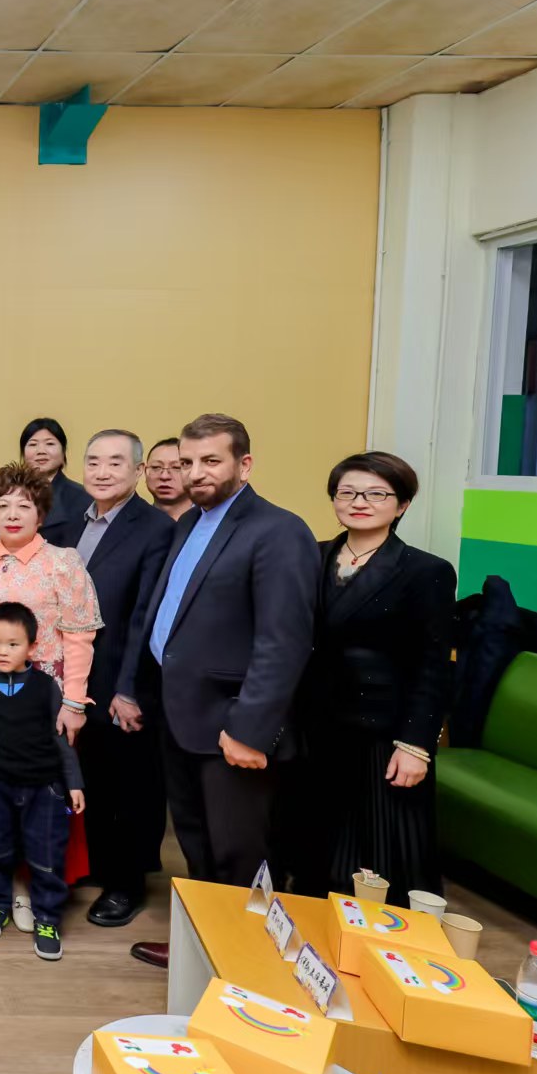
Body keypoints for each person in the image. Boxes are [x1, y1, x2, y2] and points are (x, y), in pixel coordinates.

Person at [121, 414, 318, 972]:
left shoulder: (279, 531)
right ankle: (204, 951)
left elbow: (284, 641)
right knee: (197, 843)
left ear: (244, 465)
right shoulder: (190, 522)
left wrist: (250, 729)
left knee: (239, 854)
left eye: (211, 460)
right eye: (187, 462)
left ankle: (247, 966)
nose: (195, 472)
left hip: (232, 724)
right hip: (181, 716)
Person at [292, 452, 455, 902]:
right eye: (347, 492)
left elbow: (433, 665)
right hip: (314, 727)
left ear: (402, 505)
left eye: (376, 494)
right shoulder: (311, 557)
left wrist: (416, 745)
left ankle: (381, 939)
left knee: (381, 854)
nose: (359, 502)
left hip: (382, 734)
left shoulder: (426, 570)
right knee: (312, 846)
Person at [46, 431, 173, 929]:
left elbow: (147, 615)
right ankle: (99, 867)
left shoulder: (155, 528)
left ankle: (128, 884)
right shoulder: (70, 525)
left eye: (115, 463)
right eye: (94, 461)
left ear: (138, 471)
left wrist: (129, 689)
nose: (102, 471)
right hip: (75, 681)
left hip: (121, 679)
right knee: (91, 779)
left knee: (130, 788)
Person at [0, 461, 103, 929]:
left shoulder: (63, 562)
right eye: (2, 505)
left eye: (23, 506)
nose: (12, 514)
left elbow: (79, 636)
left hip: (45, 697)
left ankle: (32, 887)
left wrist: (74, 702)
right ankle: (1, 881)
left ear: (40, 513)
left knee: (43, 795)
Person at [0, 602, 86, 961]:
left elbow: (61, 740)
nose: (2, 651)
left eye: (12, 644)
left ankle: (47, 919)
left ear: (32, 646)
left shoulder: (46, 687)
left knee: (46, 856)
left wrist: (74, 783)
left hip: (43, 788)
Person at [20, 418, 91, 541]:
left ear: (63, 452)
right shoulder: (9, 494)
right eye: (33, 444)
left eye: (50, 444)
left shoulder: (82, 497)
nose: (41, 451)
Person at [144, 438, 192, 520]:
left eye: (176, 467)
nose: (164, 476)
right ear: (145, 472)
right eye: (156, 467)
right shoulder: (133, 523)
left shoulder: (208, 521)